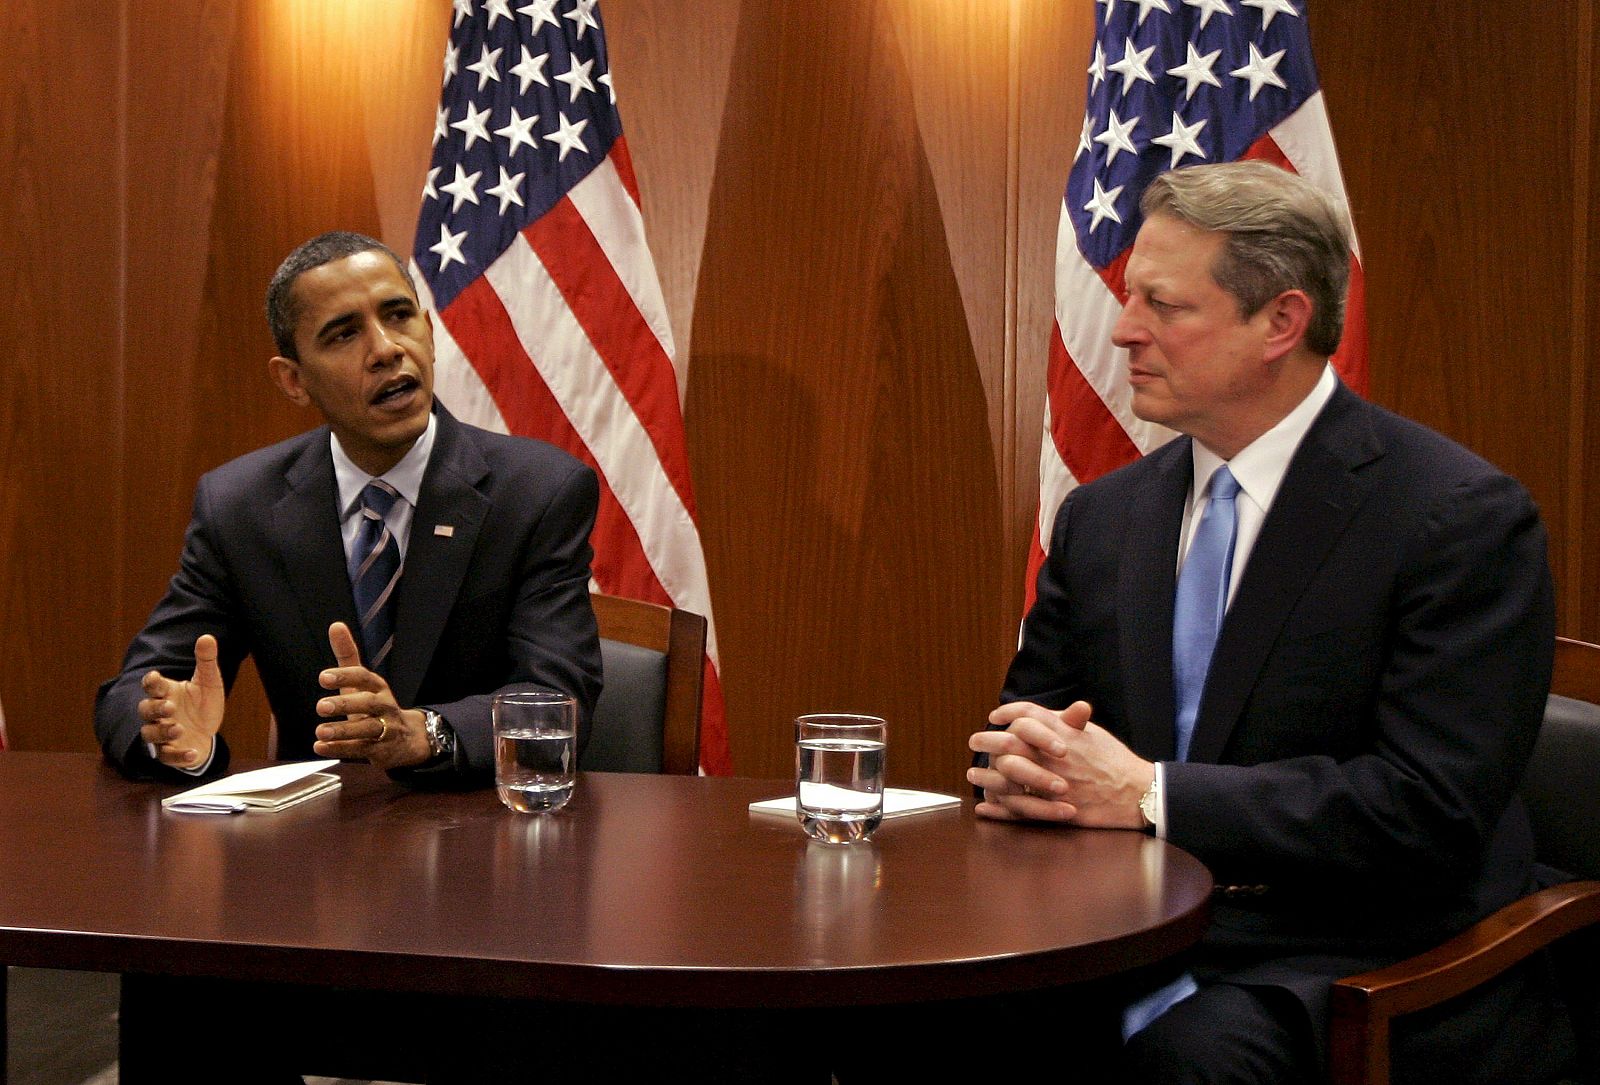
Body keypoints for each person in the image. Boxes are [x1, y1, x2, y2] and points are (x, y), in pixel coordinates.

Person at [967, 162, 1574, 1084]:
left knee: (1190, 1065)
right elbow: (1031, 733)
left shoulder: (1455, 519)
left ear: (1281, 322)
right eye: (1130, 295)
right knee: (907, 1026)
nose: (1123, 328)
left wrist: (1147, 794)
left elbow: (1426, 808)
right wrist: (1019, 766)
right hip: (1116, 932)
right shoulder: (1105, 517)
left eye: (1163, 305)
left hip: (1350, 958)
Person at [95, 231, 601, 788]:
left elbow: (555, 697)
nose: (385, 349)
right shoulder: (241, 506)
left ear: (429, 334)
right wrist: (169, 735)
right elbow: (136, 689)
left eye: (398, 315)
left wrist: (425, 732)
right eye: (343, 334)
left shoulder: (538, 492)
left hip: (485, 838)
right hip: (314, 847)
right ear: (293, 380)